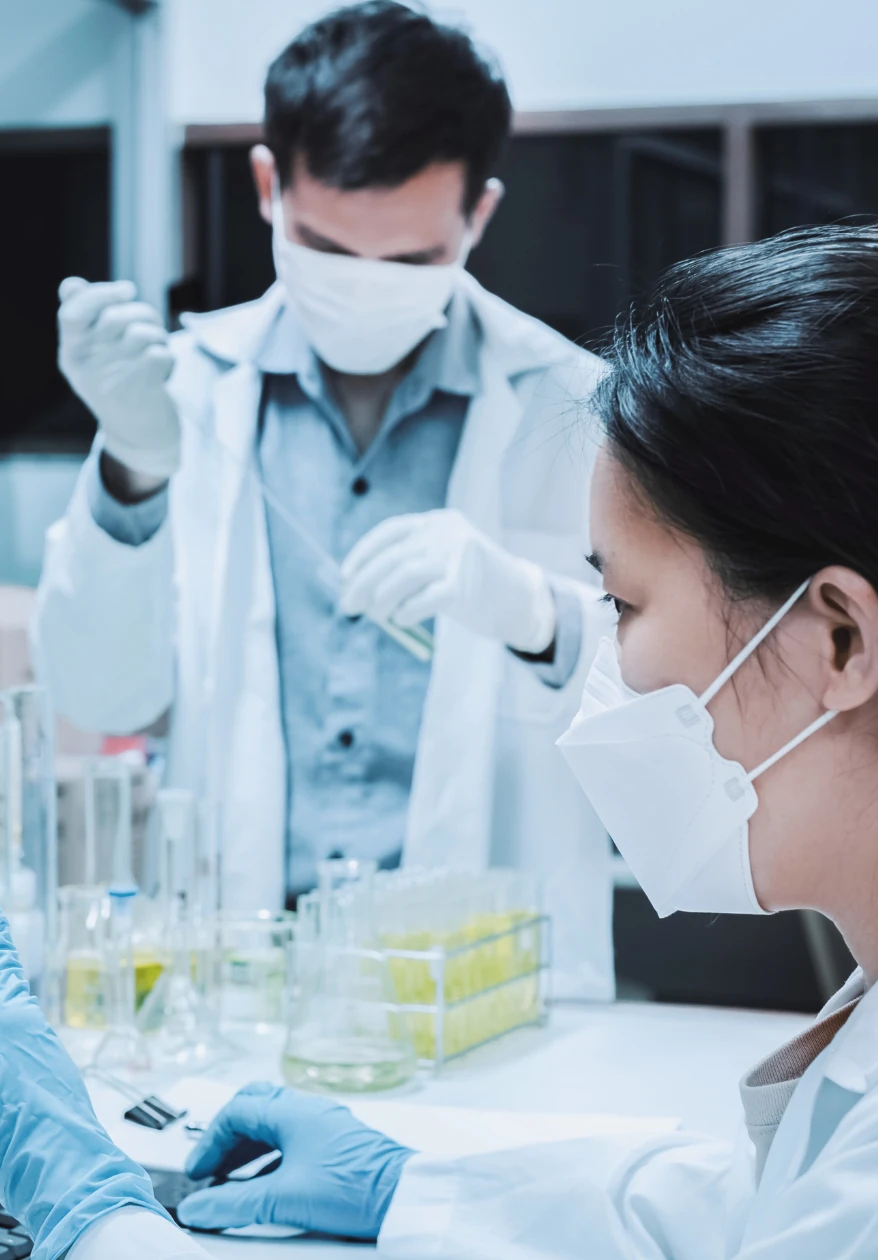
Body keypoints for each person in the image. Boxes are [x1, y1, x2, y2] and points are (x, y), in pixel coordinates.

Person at [0, 222, 878, 1259]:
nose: (604, 662)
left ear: (838, 641)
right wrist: (408, 1191)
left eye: (623, 599)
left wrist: (86, 1206)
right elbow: (754, 1221)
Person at [32, 2, 617, 996]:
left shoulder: (575, 411)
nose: (363, 286)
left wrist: (540, 615)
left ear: (476, 215)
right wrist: (131, 465)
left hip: (492, 992)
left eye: (411, 261)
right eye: (327, 249)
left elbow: (689, 717)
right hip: (239, 983)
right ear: (269, 186)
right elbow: (99, 698)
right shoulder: (180, 395)